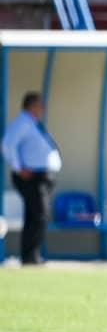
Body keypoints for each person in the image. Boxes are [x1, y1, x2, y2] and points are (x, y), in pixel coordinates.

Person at [2, 92, 62, 266]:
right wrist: (18, 168)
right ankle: (30, 256)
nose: (42, 108)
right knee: (39, 214)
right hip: (31, 177)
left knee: (34, 215)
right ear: (30, 105)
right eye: (39, 104)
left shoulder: (33, 124)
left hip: (41, 177)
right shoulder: (22, 122)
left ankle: (30, 256)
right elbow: (7, 144)